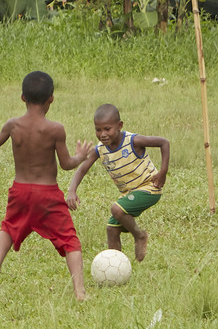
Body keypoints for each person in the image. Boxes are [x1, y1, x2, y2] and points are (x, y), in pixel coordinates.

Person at [0, 70, 90, 300]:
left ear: (22, 97)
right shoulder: (55, 129)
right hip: (48, 194)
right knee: (70, 240)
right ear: (51, 98)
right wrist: (80, 156)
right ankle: (80, 291)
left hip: (20, 191)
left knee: (8, 227)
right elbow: (66, 164)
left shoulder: (13, 125)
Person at [66, 103, 169, 262]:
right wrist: (72, 190)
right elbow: (82, 169)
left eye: (107, 129)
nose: (102, 134)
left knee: (116, 209)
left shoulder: (133, 141)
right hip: (129, 194)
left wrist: (162, 172)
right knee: (111, 229)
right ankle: (115, 265)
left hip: (149, 188)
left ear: (119, 126)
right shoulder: (101, 149)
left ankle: (139, 235)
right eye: (98, 130)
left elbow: (164, 142)